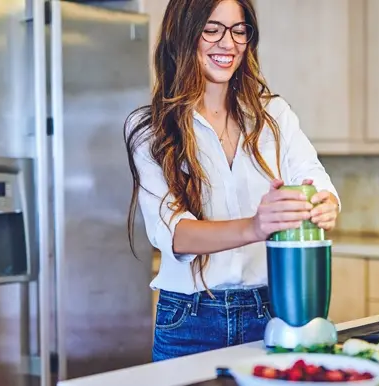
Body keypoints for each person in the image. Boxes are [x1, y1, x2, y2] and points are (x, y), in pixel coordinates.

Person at [123, 0, 340, 362]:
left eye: (239, 30)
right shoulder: (149, 129)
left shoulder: (274, 116)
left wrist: (321, 205)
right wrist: (256, 226)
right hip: (189, 321)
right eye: (212, 29)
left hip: (270, 312)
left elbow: (316, 181)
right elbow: (175, 235)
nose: (229, 43)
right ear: (183, 34)